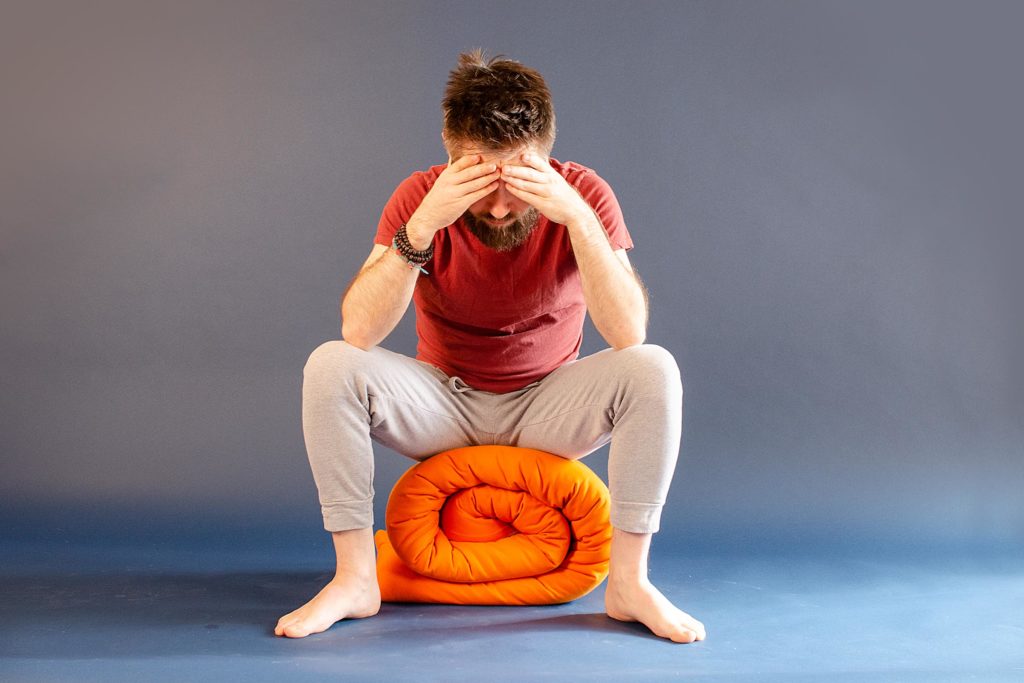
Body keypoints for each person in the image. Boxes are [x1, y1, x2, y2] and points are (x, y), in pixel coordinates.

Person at [275, 50, 706, 644]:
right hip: (443, 405)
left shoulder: (584, 194)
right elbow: (359, 333)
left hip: (548, 405)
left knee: (654, 368)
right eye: (480, 183)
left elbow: (628, 334)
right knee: (331, 364)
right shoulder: (420, 198)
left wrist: (578, 221)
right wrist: (422, 226)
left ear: (546, 161)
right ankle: (354, 578)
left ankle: (630, 583)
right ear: (452, 157)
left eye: (518, 183)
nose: (500, 208)